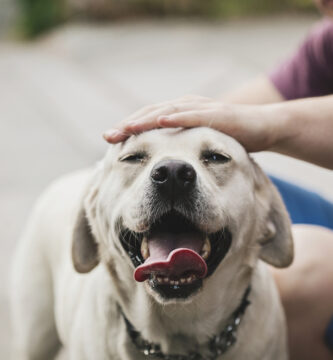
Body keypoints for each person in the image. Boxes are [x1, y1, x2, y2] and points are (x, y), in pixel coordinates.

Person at [103, 1, 333, 359]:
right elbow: (216, 117)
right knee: (234, 181)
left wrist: (271, 126)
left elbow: (256, 119)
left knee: (309, 267)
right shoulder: (327, 44)